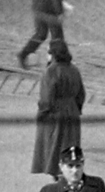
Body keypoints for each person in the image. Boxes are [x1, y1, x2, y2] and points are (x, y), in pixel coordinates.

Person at [31, 39, 85, 177]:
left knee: (54, 147)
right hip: (72, 112)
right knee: (70, 145)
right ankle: (70, 174)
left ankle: (58, 176)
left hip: (55, 112)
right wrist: (76, 109)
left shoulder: (51, 72)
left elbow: (46, 97)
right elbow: (81, 94)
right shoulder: (74, 70)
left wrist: (42, 114)